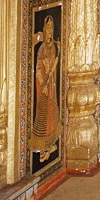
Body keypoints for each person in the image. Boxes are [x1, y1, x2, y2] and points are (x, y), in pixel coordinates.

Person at [28, 15, 61, 161]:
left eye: (51, 28)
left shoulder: (52, 46)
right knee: (43, 112)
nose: (50, 30)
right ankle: (43, 146)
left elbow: (53, 68)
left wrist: (59, 52)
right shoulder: (42, 48)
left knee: (51, 112)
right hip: (43, 83)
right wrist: (43, 83)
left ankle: (50, 145)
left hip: (51, 82)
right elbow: (40, 68)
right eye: (48, 27)